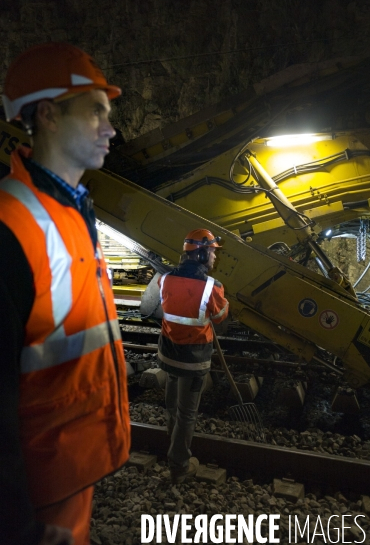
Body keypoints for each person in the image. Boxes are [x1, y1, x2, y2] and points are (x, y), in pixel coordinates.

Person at [0, 43, 131, 545]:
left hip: (71, 472)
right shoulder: (11, 226)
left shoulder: (76, 213)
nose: (111, 128)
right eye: (95, 110)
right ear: (49, 115)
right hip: (34, 491)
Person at [157, 229, 229, 484]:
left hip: (168, 355)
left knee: (172, 408)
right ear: (200, 254)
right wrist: (225, 304)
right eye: (211, 252)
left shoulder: (164, 279)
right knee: (187, 414)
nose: (213, 257)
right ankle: (179, 467)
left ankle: (173, 448)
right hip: (193, 358)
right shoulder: (213, 287)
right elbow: (220, 319)